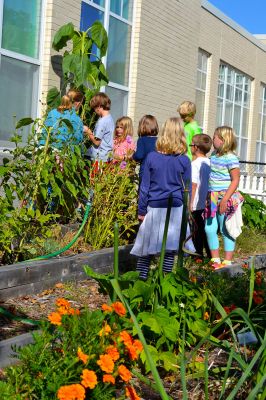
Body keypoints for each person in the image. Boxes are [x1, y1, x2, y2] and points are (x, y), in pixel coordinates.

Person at [130, 117, 195, 280]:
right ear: (181, 135)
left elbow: (144, 188)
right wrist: (188, 212)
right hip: (176, 209)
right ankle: (164, 281)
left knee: (145, 249)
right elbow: (187, 190)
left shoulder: (152, 157)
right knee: (169, 250)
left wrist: (141, 210)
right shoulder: (184, 160)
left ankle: (141, 282)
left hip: (154, 208)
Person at [205, 126, 244, 269]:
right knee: (209, 228)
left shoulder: (231, 158)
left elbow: (235, 180)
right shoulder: (214, 156)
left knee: (225, 229)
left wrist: (226, 199)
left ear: (222, 140)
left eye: (214, 137)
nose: (212, 139)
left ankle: (227, 261)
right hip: (212, 197)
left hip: (224, 197)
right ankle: (215, 260)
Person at [190, 134, 212, 258]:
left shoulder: (195, 164)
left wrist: (190, 204)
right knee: (207, 232)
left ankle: (197, 257)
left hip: (197, 204)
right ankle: (210, 256)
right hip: (208, 203)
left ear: (196, 147)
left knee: (197, 232)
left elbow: (193, 185)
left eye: (191, 145)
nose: (190, 147)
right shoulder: (209, 162)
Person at [86, 92, 114, 162]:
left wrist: (88, 131)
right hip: (106, 155)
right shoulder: (110, 118)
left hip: (99, 157)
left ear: (99, 106)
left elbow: (97, 142)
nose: (94, 111)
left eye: (94, 108)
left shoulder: (102, 121)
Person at [133, 115, 159, 181]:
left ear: (142, 127)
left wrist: (132, 156)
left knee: (143, 190)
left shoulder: (142, 140)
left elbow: (139, 155)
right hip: (158, 171)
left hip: (145, 172)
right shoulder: (160, 140)